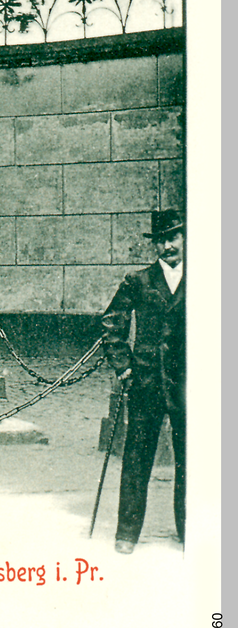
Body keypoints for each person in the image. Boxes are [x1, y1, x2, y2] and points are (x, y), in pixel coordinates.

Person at [102, 209, 185, 554]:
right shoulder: (138, 281)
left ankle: (188, 529)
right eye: (161, 240)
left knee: (192, 459)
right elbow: (111, 324)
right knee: (136, 458)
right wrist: (123, 367)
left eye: (173, 238)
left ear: (184, 238)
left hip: (187, 383)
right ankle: (127, 534)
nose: (167, 246)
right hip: (146, 381)